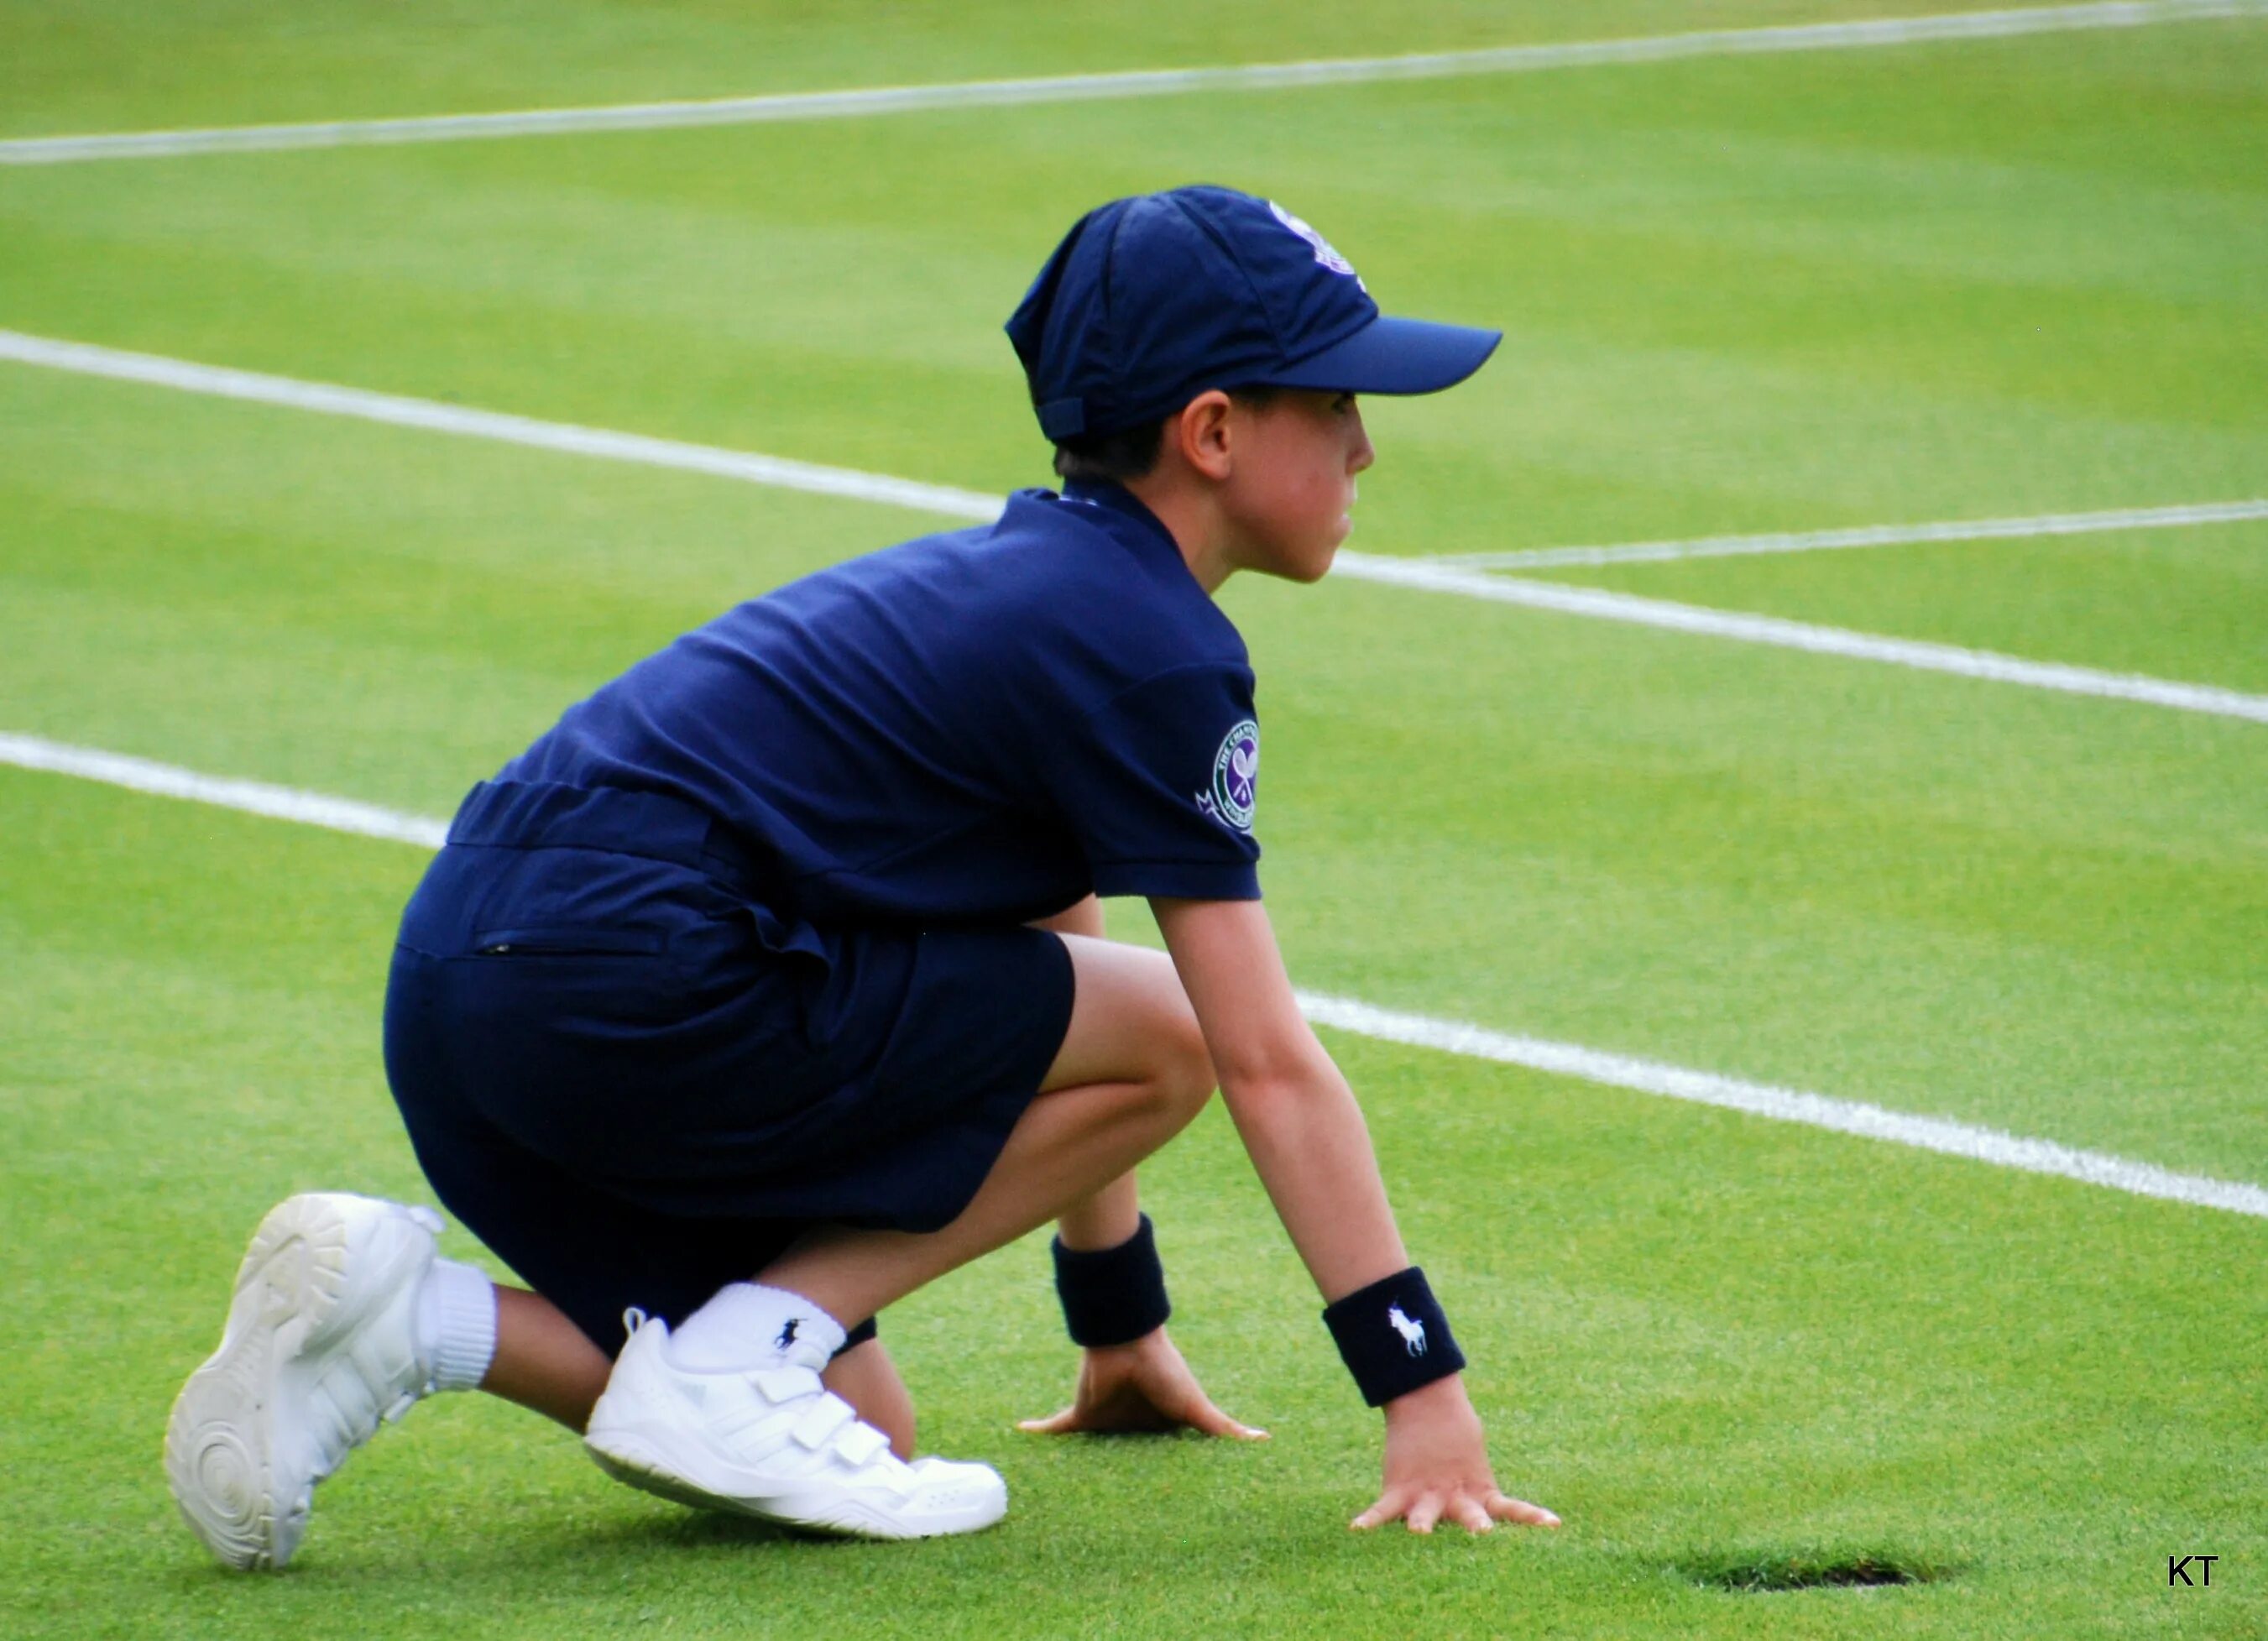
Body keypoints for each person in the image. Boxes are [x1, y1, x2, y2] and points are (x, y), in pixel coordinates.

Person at [164, 184, 1561, 1568]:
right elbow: (1255, 1057)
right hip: (636, 976)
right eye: (1333, 404)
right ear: (1209, 434)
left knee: (853, 1438)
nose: (1366, 447)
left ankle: (414, 1320)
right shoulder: (1146, 644)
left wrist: (1117, 1323)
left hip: (472, 987)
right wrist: (1419, 1395)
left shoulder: (1041, 583)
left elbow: (1041, 924)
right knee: (1180, 1035)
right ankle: (743, 1350)